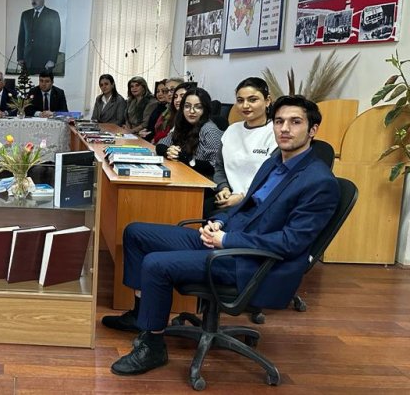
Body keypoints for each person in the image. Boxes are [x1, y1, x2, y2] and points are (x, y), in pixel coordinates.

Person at [102, 95, 340, 376]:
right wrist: (217, 222)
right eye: (279, 121)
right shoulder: (275, 162)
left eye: (295, 122)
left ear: (313, 130)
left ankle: (153, 346)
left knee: (156, 263)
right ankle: (140, 315)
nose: (285, 128)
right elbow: (245, 206)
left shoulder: (319, 182)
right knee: (136, 232)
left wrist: (226, 240)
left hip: (251, 261)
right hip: (229, 239)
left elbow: (291, 243)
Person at [212, 77, 277, 212]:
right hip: (228, 198)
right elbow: (219, 167)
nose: (245, 105)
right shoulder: (231, 130)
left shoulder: (276, 133)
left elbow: (275, 178)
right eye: (240, 100)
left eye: (252, 100)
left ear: (267, 101)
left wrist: (243, 198)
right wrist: (223, 188)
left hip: (258, 203)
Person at [156, 87, 222, 179]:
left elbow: (215, 166)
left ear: (205, 109)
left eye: (198, 107)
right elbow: (161, 144)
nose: (191, 111)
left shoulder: (210, 130)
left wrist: (182, 157)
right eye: (187, 106)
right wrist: (169, 151)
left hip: (204, 181)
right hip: (183, 174)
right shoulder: (183, 124)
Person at [17, 0, 61, 75]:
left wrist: (52, 60)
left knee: (43, 83)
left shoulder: (53, 14)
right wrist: (20, 57)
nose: (33, 0)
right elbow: (21, 37)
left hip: (45, 62)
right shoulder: (25, 14)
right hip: (27, 61)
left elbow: (56, 39)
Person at [151, 80, 193, 144]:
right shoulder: (168, 110)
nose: (169, 94)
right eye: (166, 91)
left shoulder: (187, 115)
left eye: (172, 90)